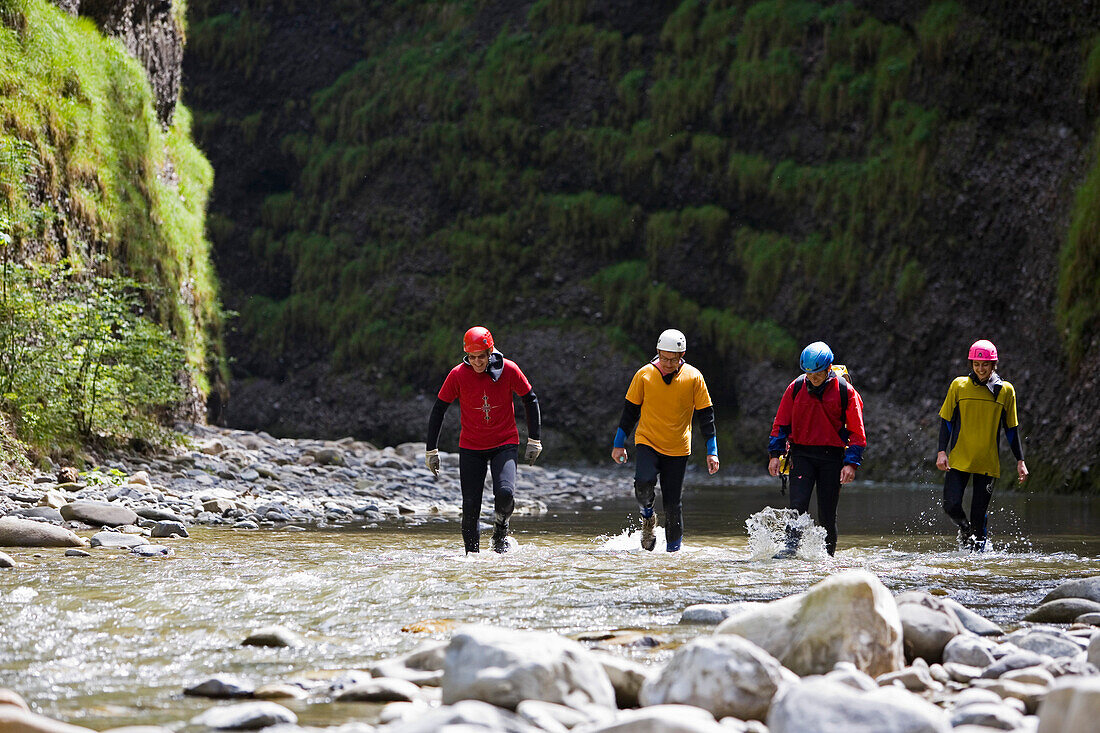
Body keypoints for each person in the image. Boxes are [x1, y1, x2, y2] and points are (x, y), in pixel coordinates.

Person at [425, 326, 542, 554]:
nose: (477, 362)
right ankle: (473, 559)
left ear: (490, 352)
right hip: (471, 447)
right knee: (470, 507)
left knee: (505, 495)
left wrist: (534, 440)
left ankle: (500, 529)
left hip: (505, 443)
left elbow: (530, 399)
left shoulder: (508, 369)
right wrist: (431, 450)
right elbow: (439, 409)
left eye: (481, 357)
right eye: (472, 357)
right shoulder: (458, 374)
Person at [610, 328, 719, 552]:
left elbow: (706, 416)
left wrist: (712, 450)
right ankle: (648, 518)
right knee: (643, 483)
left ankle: (673, 554)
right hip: (647, 441)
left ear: (682, 355)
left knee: (672, 504)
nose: (668, 363)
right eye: (664, 358)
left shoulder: (694, 377)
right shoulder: (644, 375)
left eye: (673, 359)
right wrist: (618, 443)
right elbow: (629, 412)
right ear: (658, 351)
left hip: (678, 448)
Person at [767, 341, 866, 557]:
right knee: (797, 506)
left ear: (828, 369)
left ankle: (828, 557)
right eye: (809, 374)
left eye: (818, 374)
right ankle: (791, 549)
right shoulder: (795, 388)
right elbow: (781, 424)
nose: (813, 378)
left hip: (832, 458)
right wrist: (775, 455)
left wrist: (851, 464)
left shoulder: (845, 391)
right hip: (802, 455)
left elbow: (857, 433)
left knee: (827, 513)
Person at [936, 339, 1028, 551]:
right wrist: (942, 451)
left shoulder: (1005, 391)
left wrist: (1020, 461)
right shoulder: (959, 386)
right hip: (959, 459)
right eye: (976, 364)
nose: (980, 369)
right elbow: (947, 421)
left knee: (979, 517)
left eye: (985, 364)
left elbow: (1011, 429)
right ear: (971, 364)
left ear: (993, 364)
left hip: (987, 462)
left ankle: (978, 563)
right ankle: (964, 529)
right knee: (951, 506)